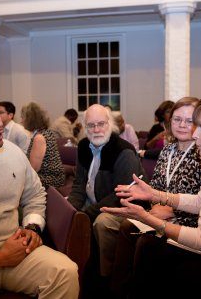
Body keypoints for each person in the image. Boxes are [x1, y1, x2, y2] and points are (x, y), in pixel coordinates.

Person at [102, 92, 201, 297]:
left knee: (151, 250)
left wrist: (147, 218)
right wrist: (154, 195)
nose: (195, 134)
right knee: (150, 249)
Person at [0, 85, 79, 298]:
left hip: (14, 247)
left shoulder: (11, 152)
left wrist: (32, 226)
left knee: (65, 272)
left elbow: (34, 194)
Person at [106, 97, 201, 298]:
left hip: (189, 220)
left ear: (199, 124)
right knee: (127, 226)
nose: (181, 125)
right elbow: (157, 187)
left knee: (146, 242)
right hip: (161, 212)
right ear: (169, 122)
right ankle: (118, 290)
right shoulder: (167, 150)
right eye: (177, 119)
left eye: (189, 121)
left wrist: (171, 210)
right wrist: (155, 206)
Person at [68, 104, 147, 280]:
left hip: (126, 205)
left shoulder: (123, 151)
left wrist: (86, 213)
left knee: (102, 222)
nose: (96, 130)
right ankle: (79, 267)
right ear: (84, 127)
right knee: (66, 210)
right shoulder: (83, 146)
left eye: (101, 124)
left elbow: (123, 194)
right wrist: (71, 210)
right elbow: (79, 184)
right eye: (91, 125)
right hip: (95, 201)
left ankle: (107, 277)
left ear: (110, 124)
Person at [21, 102, 65, 190]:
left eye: (23, 117)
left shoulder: (39, 138)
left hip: (49, 179)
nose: (21, 121)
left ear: (30, 119)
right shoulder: (45, 132)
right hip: (53, 177)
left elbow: (33, 169)